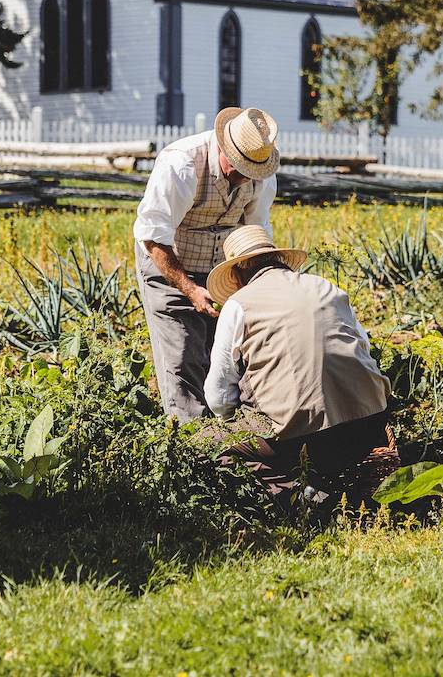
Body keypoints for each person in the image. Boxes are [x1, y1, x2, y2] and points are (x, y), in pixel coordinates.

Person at [202, 225, 395, 514]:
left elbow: (218, 396)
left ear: (237, 273)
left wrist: (235, 424)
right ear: (279, 259)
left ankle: (303, 497)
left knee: (210, 446)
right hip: (368, 427)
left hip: (298, 442)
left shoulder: (238, 305)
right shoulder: (327, 287)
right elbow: (363, 348)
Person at [133, 107, 281, 419]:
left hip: (220, 269)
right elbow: (154, 237)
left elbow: (255, 235)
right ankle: (191, 436)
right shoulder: (182, 164)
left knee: (224, 351)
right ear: (224, 148)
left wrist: (257, 291)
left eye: (251, 171)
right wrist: (189, 289)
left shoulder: (260, 178)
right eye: (238, 168)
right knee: (183, 351)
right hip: (169, 261)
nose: (244, 177)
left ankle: (230, 427)